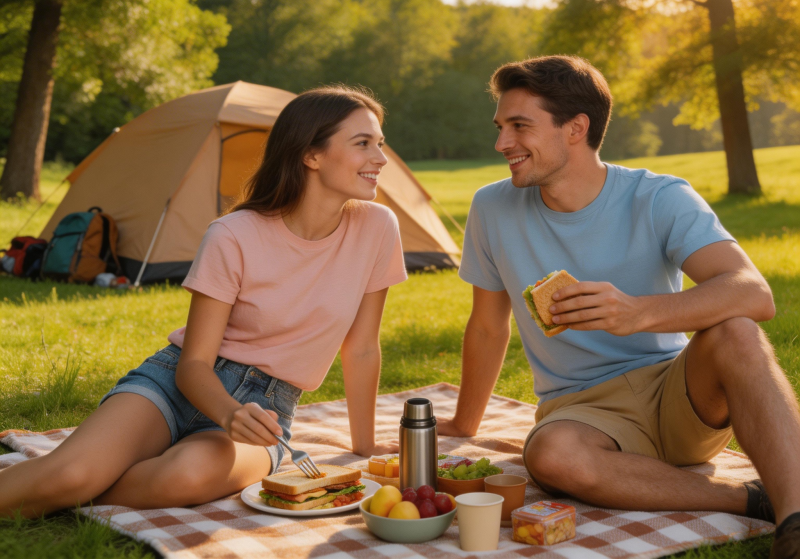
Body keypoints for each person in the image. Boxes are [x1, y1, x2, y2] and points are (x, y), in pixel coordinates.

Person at [438, 56, 800, 559]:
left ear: (576, 128)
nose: (502, 144)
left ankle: (796, 519)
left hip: (678, 392)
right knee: (551, 456)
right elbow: (486, 326)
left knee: (737, 330)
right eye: (501, 127)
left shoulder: (659, 197)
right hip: (579, 409)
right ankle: (747, 500)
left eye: (520, 126)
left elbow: (752, 291)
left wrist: (639, 313)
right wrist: (463, 424)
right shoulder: (491, 208)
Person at [0, 85, 407, 517]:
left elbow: (361, 347)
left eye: (379, 144)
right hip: (175, 383)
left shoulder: (378, 228)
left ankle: (75, 484)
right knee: (70, 474)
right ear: (311, 155)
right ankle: (69, 482)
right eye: (364, 144)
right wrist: (229, 412)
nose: (380, 158)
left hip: (270, 408)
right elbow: (194, 364)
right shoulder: (234, 234)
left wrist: (363, 445)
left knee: (184, 478)